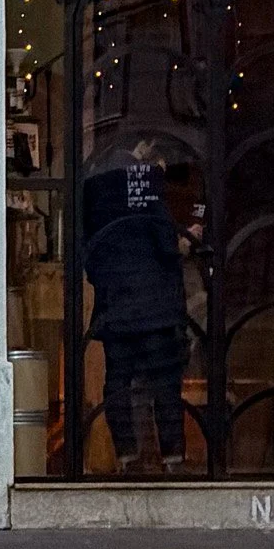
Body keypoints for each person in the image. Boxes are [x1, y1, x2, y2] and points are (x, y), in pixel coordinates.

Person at [82, 148, 191, 475]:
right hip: (154, 305)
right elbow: (165, 246)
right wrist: (183, 245)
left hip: (115, 303)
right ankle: (172, 458)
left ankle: (127, 455)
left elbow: (89, 251)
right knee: (164, 383)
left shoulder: (95, 193)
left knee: (118, 381)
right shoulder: (147, 189)